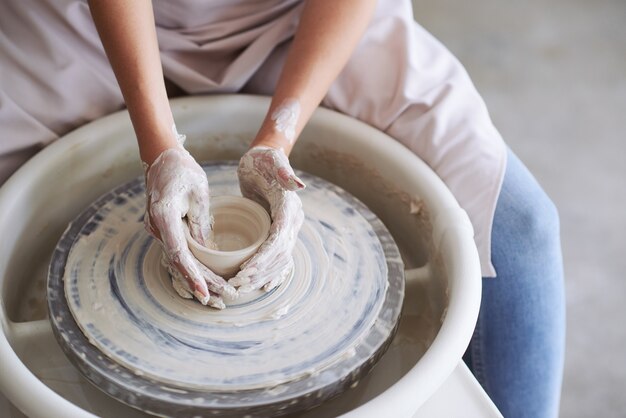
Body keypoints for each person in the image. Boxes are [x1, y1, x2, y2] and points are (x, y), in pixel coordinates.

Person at [0, 0, 565, 416]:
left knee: (520, 230)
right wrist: (159, 149)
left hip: (292, 20)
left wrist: (277, 139)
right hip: (85, 27)